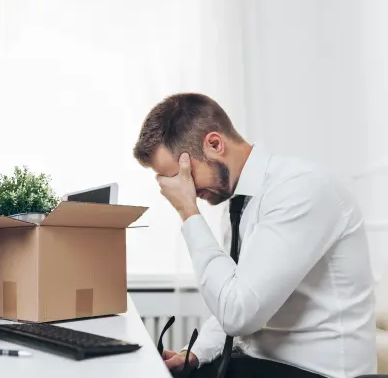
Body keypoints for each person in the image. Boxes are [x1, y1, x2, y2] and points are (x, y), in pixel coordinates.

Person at [132, 93, 377, 378]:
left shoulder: (300, 189)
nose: (184, 189)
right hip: (261, 364)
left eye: (182, 175)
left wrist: (188, 210)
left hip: (316, 372)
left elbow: (238, 314)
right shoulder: (238, 202)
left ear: (214, 144)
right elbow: (235, 295)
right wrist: (197, 351)